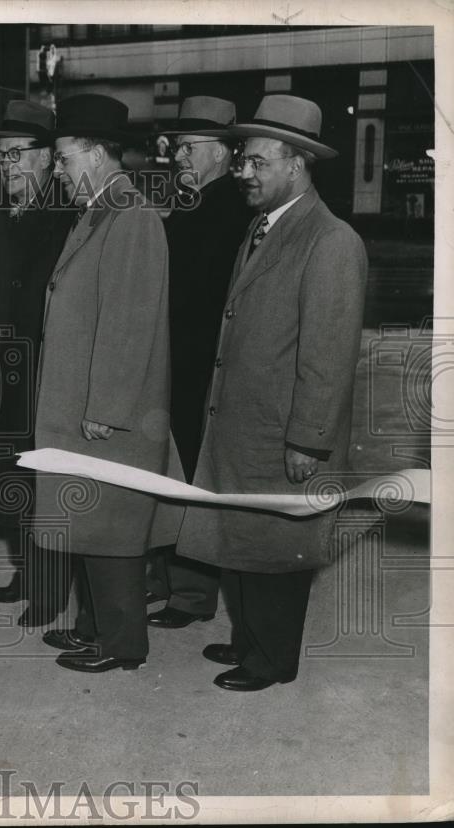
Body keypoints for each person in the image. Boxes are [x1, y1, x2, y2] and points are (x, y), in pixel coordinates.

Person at [176, 95, 368, 691]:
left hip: (283, 429)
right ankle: (248, 638)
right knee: (245, 537)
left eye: (257, 163)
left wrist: (309, 441)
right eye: (242, 162)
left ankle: (273, 659)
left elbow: (329, 355)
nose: (244, 173)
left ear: (296, 164)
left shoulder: (331, 242)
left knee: (280, 547)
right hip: (244, 422)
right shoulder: (263, 228)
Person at [34, 94, 171, 672]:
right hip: (81, 399)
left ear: (93, 154)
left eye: (63, 159)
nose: (57, 171)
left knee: (112, 528)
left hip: (106, 408)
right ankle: (93, 627)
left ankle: (122, 645)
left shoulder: (131, 216)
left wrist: (107, 406)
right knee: (90, 521)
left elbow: (129, 320)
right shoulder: (100, 208)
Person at [145, 96, 255, 630]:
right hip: (175, 362)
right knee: (170, 473)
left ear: (223, 153)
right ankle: (168, 577)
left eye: (190, 149)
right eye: (176, 148)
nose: (178, 158)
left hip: (201, 368)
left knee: (193, 478)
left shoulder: (233, 211)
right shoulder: (193, 203)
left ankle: (191, 593)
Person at [0, 99, 74, 627]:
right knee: (15, 480)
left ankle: (52, 591)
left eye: (15, 156)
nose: (5, 166)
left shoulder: (65, 216)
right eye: (1, 158)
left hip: (47, 373)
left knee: (48, 484)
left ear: (46, 158)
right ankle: (27, 574)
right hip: (4, 372)